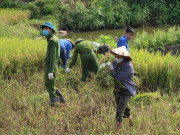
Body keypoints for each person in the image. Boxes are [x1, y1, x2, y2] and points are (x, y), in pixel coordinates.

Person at [107, 46, 138, 133]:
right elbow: (110, 70)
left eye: (119, 57)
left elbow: (117, 77)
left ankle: (117, 131)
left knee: (119, 110)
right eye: (116, 56)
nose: (116, 58)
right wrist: (106, 66)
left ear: (124, 57)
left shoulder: (128, 67)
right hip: (117, 89)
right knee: (122, 107)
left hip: (126, 90)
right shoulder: (116, 63)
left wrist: (112, 69)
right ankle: (130, 119)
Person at [41, 22, 65, 107]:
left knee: (50, 86)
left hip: (51, 66)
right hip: (51, 65)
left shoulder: (52, 40)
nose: (44, 30)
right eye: (43, 29)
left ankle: (54, 105)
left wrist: (50, 71)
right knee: (48, 84)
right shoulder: (52, 38)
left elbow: (53, 57)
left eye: (46, 29)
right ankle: (60, 97)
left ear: (50, 30)